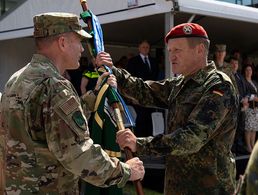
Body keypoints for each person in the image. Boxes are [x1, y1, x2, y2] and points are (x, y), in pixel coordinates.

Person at [0, 12, 144, 194]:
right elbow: (76, 152)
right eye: (78, 41)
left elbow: (53, 123)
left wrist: (95, 95)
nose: (82, 49)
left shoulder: (17, 78)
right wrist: (125, 171)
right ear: (62, 42)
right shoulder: (54, 86)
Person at [97, 23, 239, 194]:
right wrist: (113, 71)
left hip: (209, 188)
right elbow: (145, 91)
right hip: (178, 185)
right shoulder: (181, 83)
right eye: (170, 51)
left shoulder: (218, 85)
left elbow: (192, 138)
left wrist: (139, 144)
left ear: (200, 50)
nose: (171, 56)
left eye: (177, 50)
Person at [126, 40, 159, 137]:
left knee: (149, 117)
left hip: (150, 94)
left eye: (147, 47)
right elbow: (130, 79)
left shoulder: (153, 61)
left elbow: (155, 78)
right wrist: (132, 96)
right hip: (138, 94)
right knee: (140, 117)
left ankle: (149, 139)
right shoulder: (133, 61)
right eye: (143, 47)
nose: (145, 49)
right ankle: (138, 140)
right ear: (139, 48)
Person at [230, 57, 249, 156]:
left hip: (242, 106)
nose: (234, 65)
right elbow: (232, 91)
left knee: (241, 126)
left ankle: (238, 147)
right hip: (233, 107)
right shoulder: (228, 76)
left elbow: (246, 89)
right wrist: (242, 99)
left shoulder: (240, 76)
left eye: (236, 64)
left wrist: (246, 98)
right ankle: (232, 149)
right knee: (234, 127)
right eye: (232, 63)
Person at [242, 64, 258, 153]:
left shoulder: (254, 82)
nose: (249, 72)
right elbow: (245, 94)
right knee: (248, 127)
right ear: (244, 71)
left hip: (255, 108)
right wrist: (253, 97)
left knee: (254, 128)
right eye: (247, 70)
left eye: (250, 70)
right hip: (248, 107)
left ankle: (252, 145)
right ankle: (248, 146)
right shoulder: (244, 82)